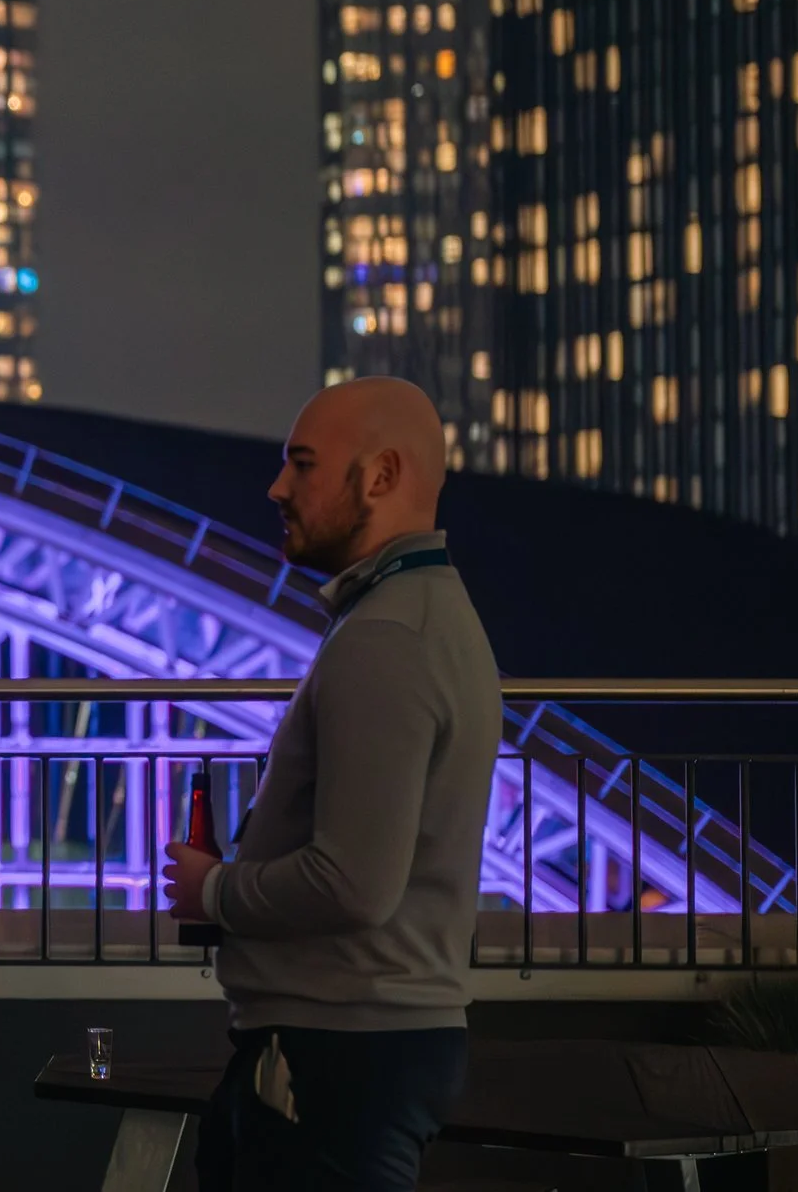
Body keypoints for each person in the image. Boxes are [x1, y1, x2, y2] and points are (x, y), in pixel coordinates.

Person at [160, 377, 502, 1191]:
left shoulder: (386, 637)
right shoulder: (424, 616)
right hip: (355, 1044)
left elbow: (354, 882)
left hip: (338, 1053)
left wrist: (214, 891)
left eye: (303, 464)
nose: (278, 487)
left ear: (381, 475)